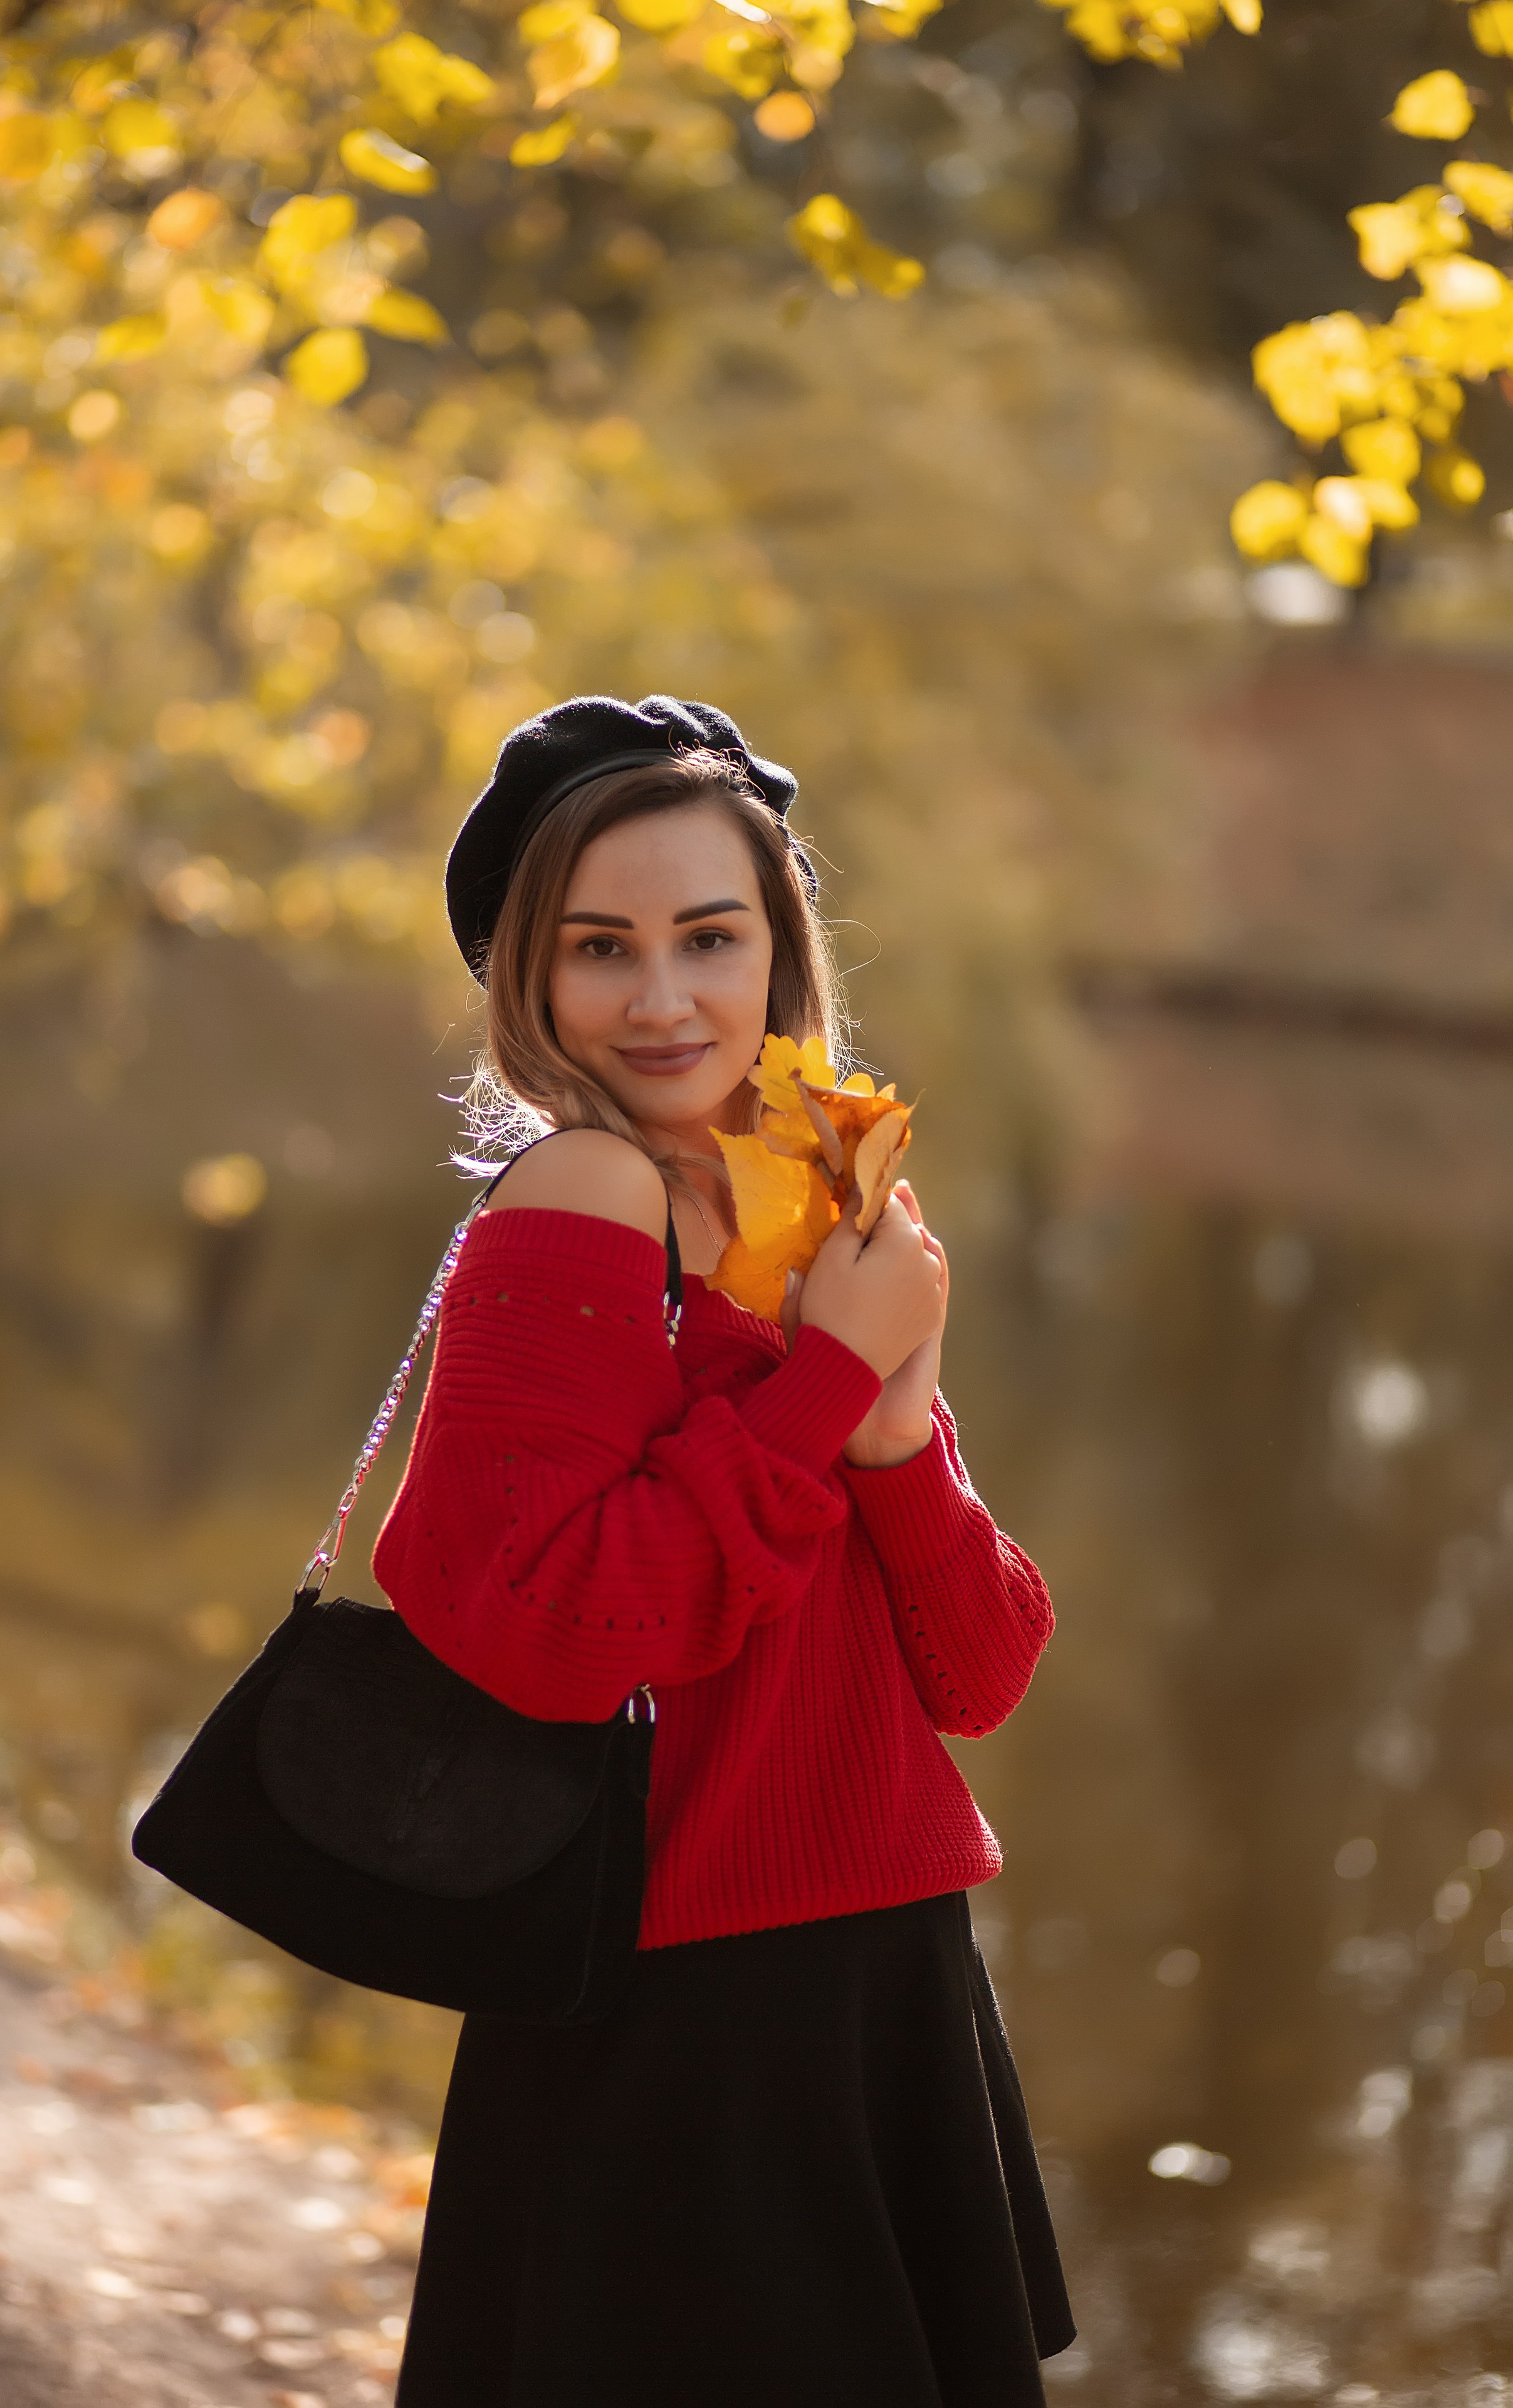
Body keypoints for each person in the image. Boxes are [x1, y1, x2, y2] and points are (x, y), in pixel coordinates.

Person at [374, 695, 1074, 2408]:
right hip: (681, 1995)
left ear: (782, 946)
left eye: (710, 934)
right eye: (601, 946)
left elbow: (977, 1672)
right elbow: (542, 1618)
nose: (665, 995)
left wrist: (896, 1426)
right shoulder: (578, 1196)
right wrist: (832, 1370)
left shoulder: (820, 1196)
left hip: (887, 1964)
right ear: (530, 978)